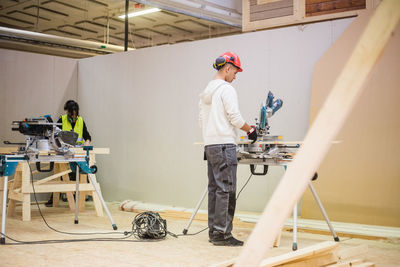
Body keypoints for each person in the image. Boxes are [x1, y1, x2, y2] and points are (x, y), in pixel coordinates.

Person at [199, 52, 257, 246]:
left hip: (211, 145)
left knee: (215, 189)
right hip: (224, 145)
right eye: (235, 72)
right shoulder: (226, 89)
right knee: (226, 190)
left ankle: (214, 232)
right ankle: (223, 235)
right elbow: (235, 118)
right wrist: (251, 130)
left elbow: (201, 120)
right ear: (227, 68)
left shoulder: (207, 91)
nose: (235, 76)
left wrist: (210, 137)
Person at [45, 100, 92, 207]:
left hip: (77, 151)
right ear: (68, 112)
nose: (74, 116)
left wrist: (87, 144)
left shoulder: (80, 120)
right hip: (64, 151)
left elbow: (87, 136)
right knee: (61, 174)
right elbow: (54, 135)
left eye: (75, 114)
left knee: (81, 171)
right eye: (72, 114)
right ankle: (54, 198)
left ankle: (79, 197)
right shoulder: (62, 120)